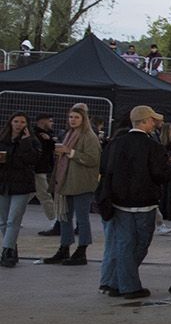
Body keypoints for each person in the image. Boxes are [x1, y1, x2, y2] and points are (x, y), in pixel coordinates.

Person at [98, 106, 171, 296]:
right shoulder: (153, 147)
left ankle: (117, 282)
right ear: (145, 121)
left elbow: (105, 168)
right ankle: (128, 286)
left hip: (119, 202)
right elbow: (160, 174)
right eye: (152, 120)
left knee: (124, 244)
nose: (155, 123)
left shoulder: (116, 143)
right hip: (145, 203)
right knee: (141, 244)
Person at [42, 103, 100, 266]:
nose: (73, 120)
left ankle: (82, 250)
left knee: (82, 219)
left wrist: (70, 152)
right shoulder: (69, 133)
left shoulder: (88, 136)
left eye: (77, 117)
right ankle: (64, 247)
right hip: (66, 181)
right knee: (64, 217)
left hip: (81, 183)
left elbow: (93, 159)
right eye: (71, 117)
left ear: (84, 119)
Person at [0, 113, 42, 266]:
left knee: (13, 219)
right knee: (3, 221)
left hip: (22, 184)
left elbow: (33, 160)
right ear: (10, 122)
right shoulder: (3, 139)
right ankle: (11, 247)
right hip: (3, 183)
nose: (18, 124)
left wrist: (25, 143)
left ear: (27, 124)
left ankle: (7, 251)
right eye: (16, 121)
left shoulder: (32, 141)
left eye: (22, 122)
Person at [31, 114, 60, 237]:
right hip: (38, 169)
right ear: (43, 121)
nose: (52, 123)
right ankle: (54, 220)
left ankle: (10, 217)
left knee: (29, 194)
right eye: (50, 121)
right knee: (44, 195)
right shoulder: (36, 135)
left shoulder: (47, 135)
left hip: (39, 169)